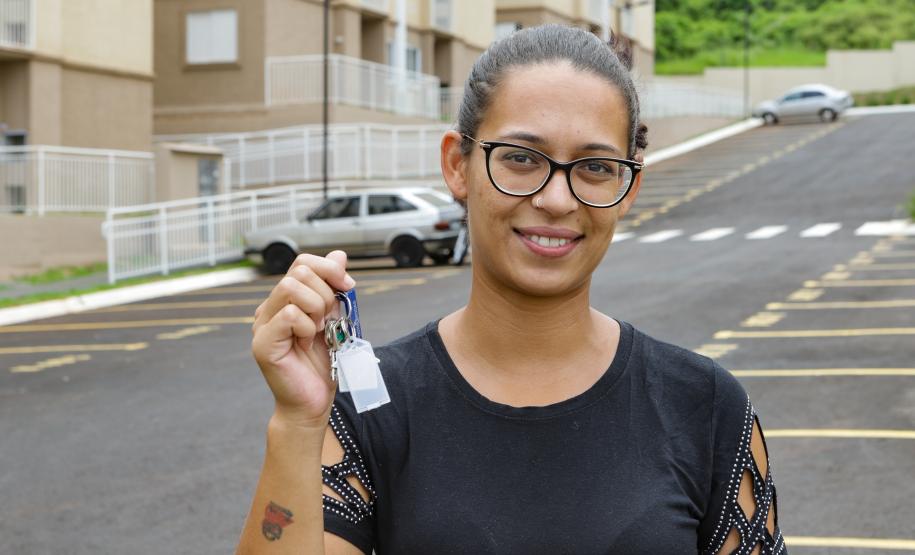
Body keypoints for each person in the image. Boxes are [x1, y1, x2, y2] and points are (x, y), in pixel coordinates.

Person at [237, 24, 785, 554]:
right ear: (458, 165)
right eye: (522, 159)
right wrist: (296, 422)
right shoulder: (366, 407)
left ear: (628, 188)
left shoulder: (704, 406)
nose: (557, 200)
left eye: (594, 167)